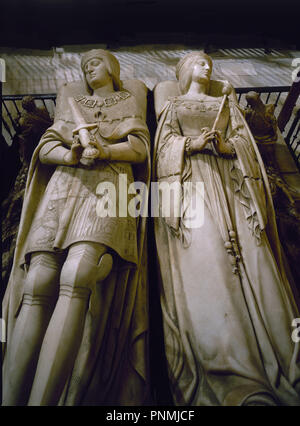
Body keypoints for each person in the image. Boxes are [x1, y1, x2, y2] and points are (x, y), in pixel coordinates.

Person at [3, 49, 150, 406]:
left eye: (96, 62)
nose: (89, 68)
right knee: (38, 281)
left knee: (78, 273)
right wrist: (70, 153)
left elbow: (140, 147)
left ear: (113, 69)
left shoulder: (129, 100)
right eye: (85, 66)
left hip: (109, 185)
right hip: (64, 186)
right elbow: (48, 145)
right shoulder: (72, 102)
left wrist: (105, 150)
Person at [153, 51, 300, 406]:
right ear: (184, 71)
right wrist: (192, 144)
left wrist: (226, 145)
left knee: (257, 261)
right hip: (192, 185)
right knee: (210, 267)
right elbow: (163, 147)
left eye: (208, 62)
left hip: (235, 187)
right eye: (197, 61)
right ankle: (238, 378)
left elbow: (244, 142)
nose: (205, 65)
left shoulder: (226, 104)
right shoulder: (173, 105)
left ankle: (282, 363)